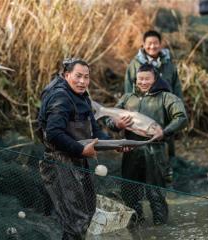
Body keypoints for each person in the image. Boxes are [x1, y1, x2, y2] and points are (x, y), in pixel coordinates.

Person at [37, 58, 110, 240]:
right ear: (66, 74)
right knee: (76, 221)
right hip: (59, 163)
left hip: (77, 161)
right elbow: (53, 133)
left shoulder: (83, 96)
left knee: (87, 211)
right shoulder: (60, 97)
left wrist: (115, 145)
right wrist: (81, 150)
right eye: (78, 76)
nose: (83, 82)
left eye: (86, 77)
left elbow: (96, 130)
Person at [109, 63, 188, 226]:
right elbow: (110, 119)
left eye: (147, 79)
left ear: (155, 79)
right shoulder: (127, 98)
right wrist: (117, 125)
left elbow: (181, 118)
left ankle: (161, 229)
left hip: (156, 152)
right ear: (135, 80)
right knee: (129, 192)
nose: (143, 82)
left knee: (155, 194)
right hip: (131, 151)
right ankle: (135, 226)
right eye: (140, 79)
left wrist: (164, 132)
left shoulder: (167, 97)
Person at [124, 29, 184, 172]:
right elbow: (128, 93)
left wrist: (177, 109)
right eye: (149, 43)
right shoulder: (134, 65)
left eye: (156, 43)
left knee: (165, 150)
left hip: (165, 115)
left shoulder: (169, 64)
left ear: (160, 44)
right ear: (143, 45)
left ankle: (166, 175)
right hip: (142, 115)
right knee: (140, 152)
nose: (153, 46)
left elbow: (177, 88)